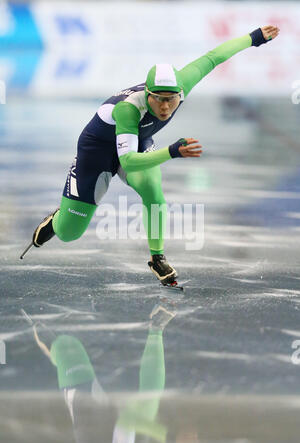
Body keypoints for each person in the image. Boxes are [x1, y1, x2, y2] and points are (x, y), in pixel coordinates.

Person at [20, 25, 280, 286]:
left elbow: (214, 57)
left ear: (180, 93)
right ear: (147, 95)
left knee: (154, 192)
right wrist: (171, 151)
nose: (165, 106)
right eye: (158, 99)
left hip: (138, 141)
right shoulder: (128, 110)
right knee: (69, 234)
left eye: (171, 99)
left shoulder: (182, 84)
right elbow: (128, 161)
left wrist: (254, 38)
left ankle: (157, 258)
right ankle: (56, 221)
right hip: (96, 151)